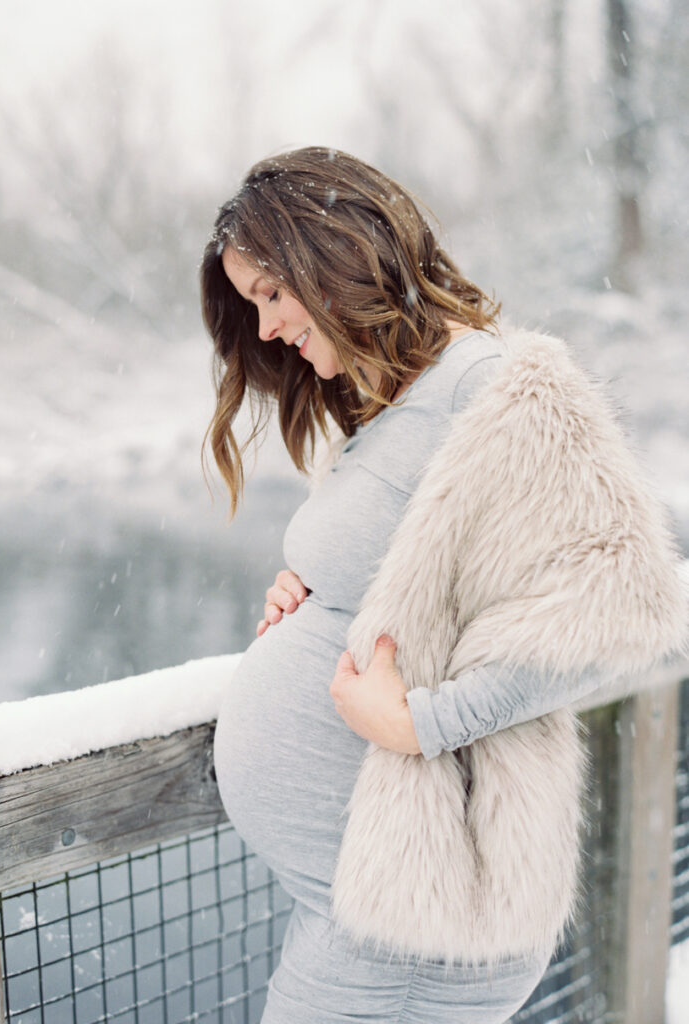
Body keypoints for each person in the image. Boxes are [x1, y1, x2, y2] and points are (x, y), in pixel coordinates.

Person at [199, 147, 686, 1024]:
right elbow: (427, 580)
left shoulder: (499, 386)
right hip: (382, 923)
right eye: (251, 304)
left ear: (338, 250)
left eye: (271, 292)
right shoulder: (403, 403)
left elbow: (624, 609)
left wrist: (423, 723)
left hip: (420, 931)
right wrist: (314, 591)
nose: (265, 328)